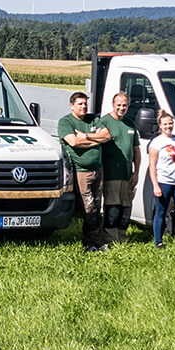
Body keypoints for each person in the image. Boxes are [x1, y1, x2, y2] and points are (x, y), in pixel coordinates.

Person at [58, 92, 114, 251]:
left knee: (97, 206)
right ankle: (96, 242)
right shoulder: (66, 122)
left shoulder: (93, 119)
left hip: (98, 169)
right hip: (81, 172)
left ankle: (91, 242)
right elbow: (73, 141)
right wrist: (96, 140)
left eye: (85, 104)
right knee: (88, 208)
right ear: (72, 105)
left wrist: (86, 136)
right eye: (80, 104)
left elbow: (108, 136)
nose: (83, 106)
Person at [95, 93, 140, 245]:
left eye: (125, 105)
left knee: (126, 208)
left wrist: (136, 172)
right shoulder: (105, 122)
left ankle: (122, 237)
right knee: (112, 207)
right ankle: (110, 238)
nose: (122, 108)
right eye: (119, 104)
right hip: (111, 174)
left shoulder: (130, 123)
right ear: (113, 104)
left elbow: (136, 150)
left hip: (127, 175)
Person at [146, 110, 175, 247]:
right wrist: (155, 184)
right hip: (164, 181)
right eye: (165, 124)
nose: (168, 126)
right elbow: (152, 165)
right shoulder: (156, 143)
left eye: (170, 123)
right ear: (160, 126)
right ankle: (158, 242)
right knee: (161, 212)